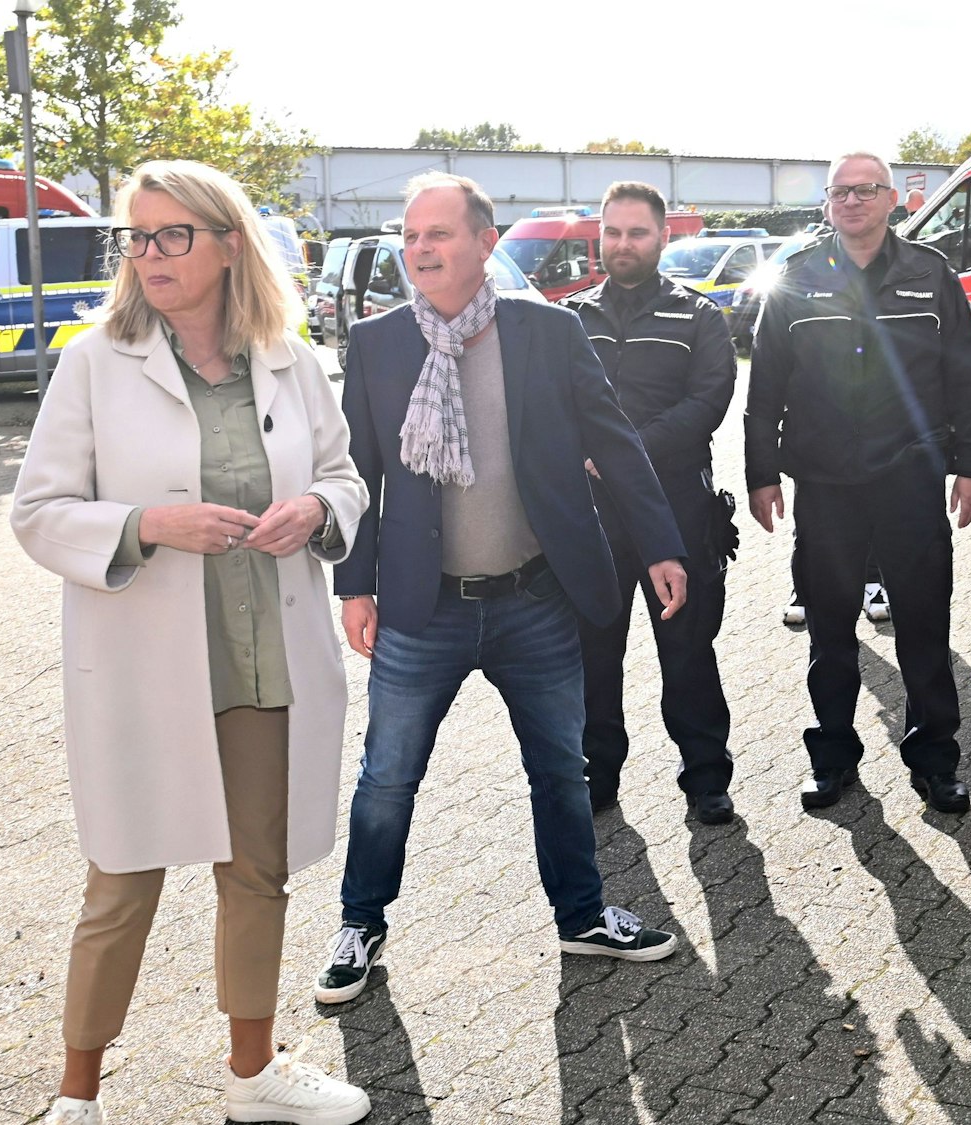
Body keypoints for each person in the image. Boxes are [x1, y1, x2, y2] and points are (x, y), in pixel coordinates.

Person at [12, 160, 371, 1125]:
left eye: (172, 234)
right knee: (122, 878)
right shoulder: (95, 357)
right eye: (138, 235)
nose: (150, 253)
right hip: (146, 666)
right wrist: (146, 526)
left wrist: (317, 509)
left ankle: (253, 1076)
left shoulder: (290, 357)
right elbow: (37, 512)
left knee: (257, 869)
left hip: (264, 659)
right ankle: (76, 1097)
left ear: (227, 245)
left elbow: (345, 474)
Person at [321, 172, 689, 1007]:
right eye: (412, 236)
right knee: (387, 776)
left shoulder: (547, 332)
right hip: (421, 607)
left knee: (561, 770)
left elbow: (615, 441)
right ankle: (359, 924)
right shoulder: (378, 343)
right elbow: (360, 474)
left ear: (486, 243)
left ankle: (583, 915)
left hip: (535, 602)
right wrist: (355, 584)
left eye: (439, 234)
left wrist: (662, 544)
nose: (420, 249)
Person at [744, 152, 971, 813]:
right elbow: (764, 383)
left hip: (910, 479)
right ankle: (832, 760)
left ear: (892, 200)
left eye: (865, 190)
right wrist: (761, 473)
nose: (851, 201)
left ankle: (935, 761)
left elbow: (966, 378)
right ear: (828, 204)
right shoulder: (797, 278)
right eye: (839, 192)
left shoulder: (931, 275)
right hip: (825, 484)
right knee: (830, 633)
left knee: (923, 628)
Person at [562, 181, 737, 822]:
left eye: (637, 233)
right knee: (593, 654)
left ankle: (706, 778)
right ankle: (596, 777)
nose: (623, 244)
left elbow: (707, 405)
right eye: (613, 232)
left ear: (664, 238)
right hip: (593, 517)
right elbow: (550, 406)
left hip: (678, 512)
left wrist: (621, 450)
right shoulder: (571, 318)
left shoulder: (698, 317)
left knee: (688, 650)